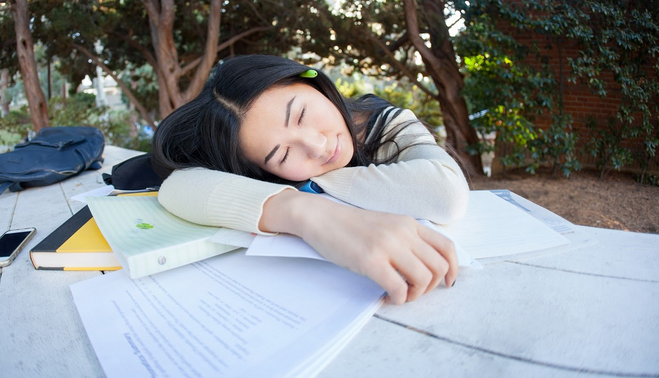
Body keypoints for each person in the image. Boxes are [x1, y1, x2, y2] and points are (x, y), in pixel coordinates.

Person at [152, 54, 469, 304]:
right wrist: (307, 212)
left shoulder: (390, 124)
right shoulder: (276, 177)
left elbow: (445, 193)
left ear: (310, 81)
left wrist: (311, 185)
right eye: (283, 156)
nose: (318, 147)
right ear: (266, 173)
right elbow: (177, 187)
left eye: (301, 114)